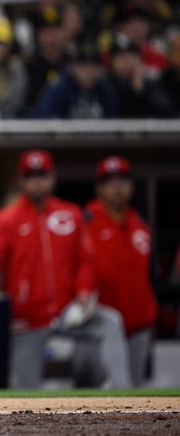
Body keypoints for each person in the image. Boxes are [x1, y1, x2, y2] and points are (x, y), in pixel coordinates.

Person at [0, 150, 132, 389]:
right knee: (25, 394)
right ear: (20, 180)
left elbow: (85, 259)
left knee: (110, 321)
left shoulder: (71, 214)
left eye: (41, 175)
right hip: (27, 319)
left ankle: (122, 389)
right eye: (30, 175)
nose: (36, 181)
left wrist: (85, 293)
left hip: (68, 311)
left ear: (52, 177)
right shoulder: (5, 220)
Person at [85, 156, 158, 386]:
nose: (117, 188)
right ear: (99, 188)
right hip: (102, 327)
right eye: (110, 182)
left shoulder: (139, 224)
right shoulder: (86, 221)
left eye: (123, 181)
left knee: (135, 396)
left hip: (139, 325)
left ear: (131, 186)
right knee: (100, 396)